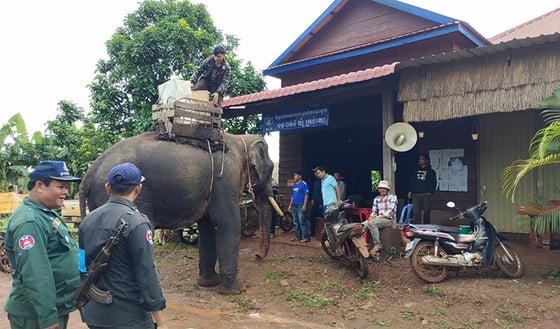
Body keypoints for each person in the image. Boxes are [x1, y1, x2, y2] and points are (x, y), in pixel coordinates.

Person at [78, 162, 168, 329]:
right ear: (138, 189)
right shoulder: (137, 222)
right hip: (129, 318)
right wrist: (161, 321)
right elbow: (146, 272)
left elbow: (82, 266)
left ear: (107, 188)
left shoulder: (87, 221)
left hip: (94, 314)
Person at [4, 160, 81, 329]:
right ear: (40, 186)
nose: (65, 192)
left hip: (52, 307)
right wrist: (47, 318)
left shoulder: (46, 214)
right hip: (36, 316)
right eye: (61, 187)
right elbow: (35, 274)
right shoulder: (30, 222)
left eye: (67, 187)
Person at [367, 180, 398, 256]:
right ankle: (363, 246)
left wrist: (376, 218)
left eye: (384, 188)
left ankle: (377, 244)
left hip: (388, 220)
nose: (382, 190)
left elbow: (390, 212)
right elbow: (374, 211)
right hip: (377, 218)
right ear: (378, 189)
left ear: (387, 189)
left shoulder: (393, 197)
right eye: (380, 188)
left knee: (372, 224)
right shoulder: (376, 199)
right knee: (361, 226)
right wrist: (370, 218)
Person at [314, 166, 341, 253]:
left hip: (332, 204)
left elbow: (337, 188)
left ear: (323, 171)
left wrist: (339, 200)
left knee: (333, 223)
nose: (317, 175)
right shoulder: (322, 181)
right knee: (327, 223)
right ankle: (330, 241)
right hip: (326, 204)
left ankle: (337, 242)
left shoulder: (330, 178)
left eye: (318, 173)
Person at [407, 153, 437, 224]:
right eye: (419, 159)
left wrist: (430, 192)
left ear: (427, 160)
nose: (420, 161)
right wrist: (410, 191)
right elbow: (412, 181)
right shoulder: (415, 170)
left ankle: (427, 226)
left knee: (426, 211)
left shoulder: (431, 171)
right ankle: (417, 226)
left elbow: (434, 183)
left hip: (426, 193)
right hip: (416, 194)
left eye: (422, 159)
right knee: (416, 212)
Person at [288, 171, 310, 242]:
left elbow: (306, 195)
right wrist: (290, 205)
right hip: (295, 205)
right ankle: (298, 237)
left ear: (300, 176)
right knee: (296, 222)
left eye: (296, 175)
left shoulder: (304, 184)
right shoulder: (295, 185)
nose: (294, 177)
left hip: (301, 205)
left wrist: (304, 205)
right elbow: (292, 196)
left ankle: (306, 238)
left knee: (302, 222)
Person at [309, 170, 323, 237]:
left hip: (320, 202)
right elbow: (314, 191)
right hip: (314, 201)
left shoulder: (323, 182)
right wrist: (312, 199)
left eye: (317, 172)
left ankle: (321, 232)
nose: (315, 174)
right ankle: (312, 231)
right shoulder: (315, 181)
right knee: (312, 217)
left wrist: (321, 202)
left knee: (320, 218)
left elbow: (322, 193)